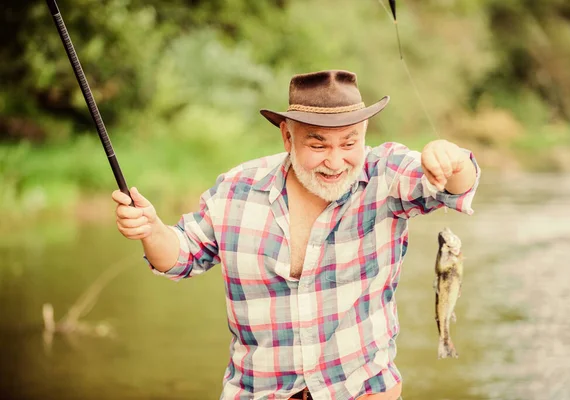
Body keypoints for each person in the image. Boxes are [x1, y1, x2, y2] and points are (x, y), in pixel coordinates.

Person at [112, 70, 480, 400]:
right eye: (317, 145)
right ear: (287, 137)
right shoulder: (237, 189)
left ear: (364, 136)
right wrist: (151, 229)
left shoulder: (386, 175)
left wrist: (452, 160)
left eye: (349, 144)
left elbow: (456, 188)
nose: (335, 162)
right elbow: (181, 257)